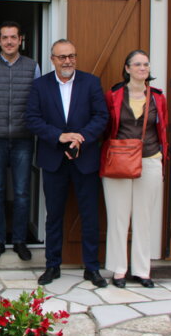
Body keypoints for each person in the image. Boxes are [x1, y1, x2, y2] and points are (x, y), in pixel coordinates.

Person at [26, 40, 109, 287]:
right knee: (54, 216)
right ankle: (52, 266)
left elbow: (101, 116)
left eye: (71, 56)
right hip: (54, 159)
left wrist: (80, 137)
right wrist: (59, 136)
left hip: (86, 159)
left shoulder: (91, 82)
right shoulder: (40, 85)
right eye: (62, 57)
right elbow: (32, 119)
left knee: (90, 216)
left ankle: (92, 268)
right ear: (52, 59)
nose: (67, 61)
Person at [102, 50, 169, 289]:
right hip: (119, 161)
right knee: (118, 218)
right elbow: (105, 127)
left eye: (146, 64)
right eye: (138, 64)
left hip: (150, 159)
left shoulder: (158, 97)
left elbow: (163, 129)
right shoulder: (113, 95)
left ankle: (142, 270)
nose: (143, 68)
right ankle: (119, 269)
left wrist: (162, 159)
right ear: (127, 68)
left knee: (144, 218)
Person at [0, 21, 40, 260]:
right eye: (5, 37)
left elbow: (36, 102)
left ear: (20, 39)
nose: (9, 41)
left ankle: (20, 241)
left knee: (22, 192)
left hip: (23, 138)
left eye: (14, 37)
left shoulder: (32, 66)